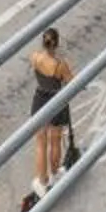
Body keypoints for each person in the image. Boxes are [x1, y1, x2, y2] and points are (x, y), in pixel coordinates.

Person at [29, 27, 75, 191]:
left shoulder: (34, 57)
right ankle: (55, 173)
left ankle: (42, 180)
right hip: (56, 101)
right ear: (56, 44)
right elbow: (71, 82)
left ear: (43, 42)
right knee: (55, 142)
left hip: (40, 99)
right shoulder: (60, 65)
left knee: (40, 144)